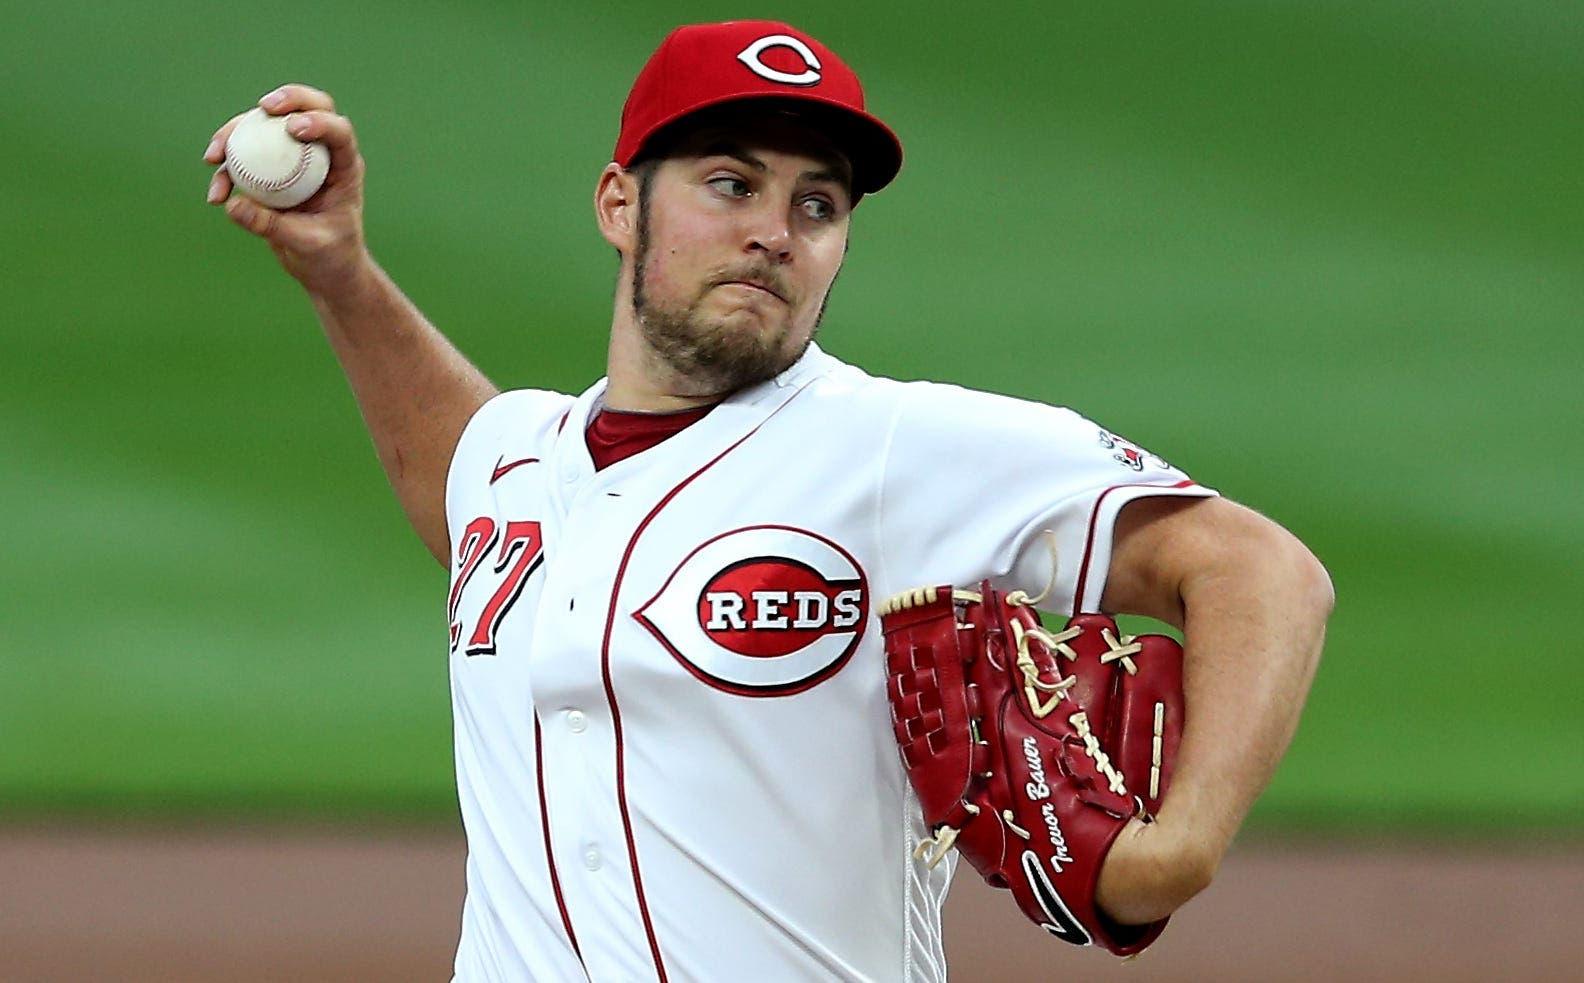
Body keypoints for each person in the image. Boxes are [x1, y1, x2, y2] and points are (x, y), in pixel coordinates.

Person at [202, 19, 1333, 983]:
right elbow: (465, 489)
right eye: (731, 183)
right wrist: (340, 274)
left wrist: (1176, 850)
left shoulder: (895, 447)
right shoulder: (518, 460)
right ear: (617, 204)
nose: (772, 230)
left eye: (817, 204)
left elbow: (1262, 569)